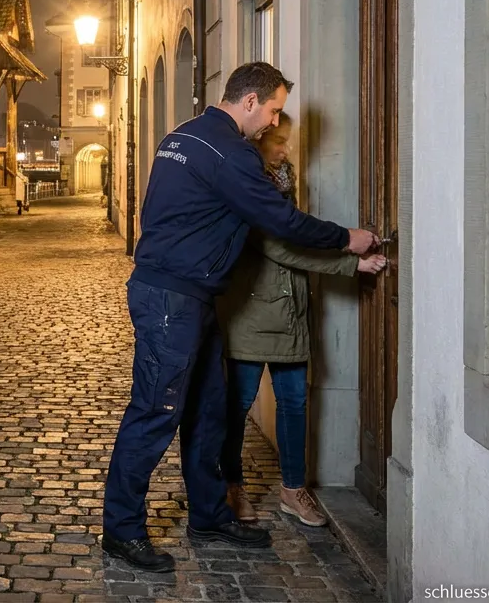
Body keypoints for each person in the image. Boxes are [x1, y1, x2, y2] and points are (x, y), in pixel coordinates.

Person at [101, 62, 377, 572]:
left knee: (209, 411)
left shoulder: (182, 136)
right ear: (249, 102)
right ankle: (121, 531)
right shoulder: (230, 151)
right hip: (173, 300)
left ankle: (209, 515)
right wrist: (346, 239)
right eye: (273, 110)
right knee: (155, 412)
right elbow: (280, 220)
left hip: (189, 295)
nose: (274, 122)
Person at [216, 112, 387, 528]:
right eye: (278, 140)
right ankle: (231, 487)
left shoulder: (284, 183)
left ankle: (293, 490)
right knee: (237, 407)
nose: (286, 149)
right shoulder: (248, 185)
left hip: (290, 312)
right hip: (251, 312)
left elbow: (295, 239)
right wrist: (350, 261)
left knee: (294, 404)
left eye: (288, 140)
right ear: (258, 142)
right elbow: (281, 248)